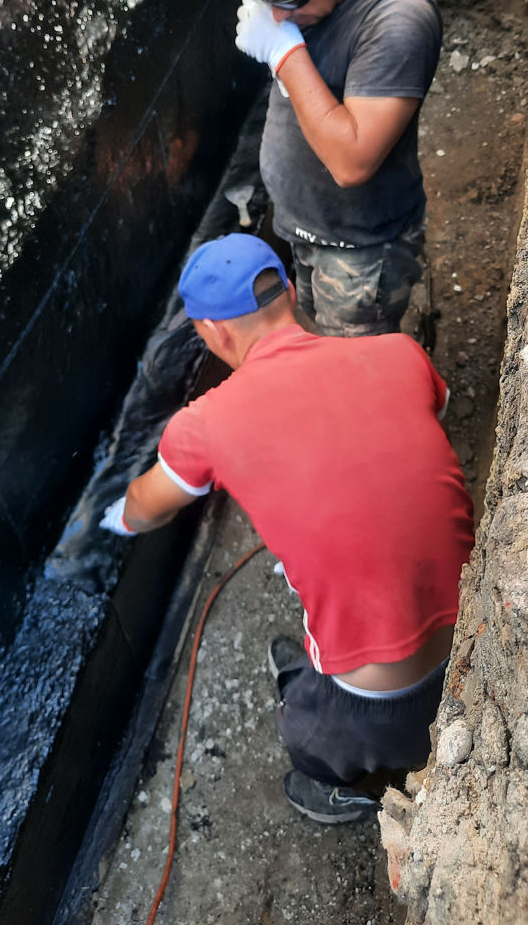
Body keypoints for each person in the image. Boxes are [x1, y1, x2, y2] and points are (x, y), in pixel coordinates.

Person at [100, 233, 474, 824]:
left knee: (304, 732)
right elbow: (435, 410)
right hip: (478, 643)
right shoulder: (400, 352)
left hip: (391, 706)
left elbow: (144, 508)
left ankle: (336, 791)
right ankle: (323, 679)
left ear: (214, 333)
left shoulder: (203, 426)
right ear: (292, 293)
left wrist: (113, 515)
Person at [235, 0, 442, 337]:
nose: (275, 17)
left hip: (361, 254)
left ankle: (417, 397)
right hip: (303, 229)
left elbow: (351, 161)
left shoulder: (397, 18)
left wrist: (285, 53)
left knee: (357, 384)